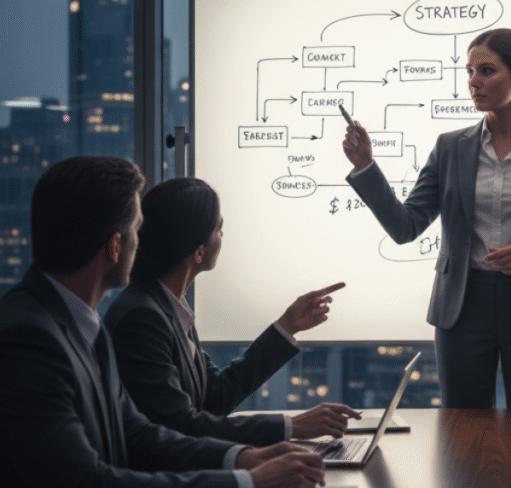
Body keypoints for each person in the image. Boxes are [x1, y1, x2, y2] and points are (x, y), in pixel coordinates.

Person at [0, 156, 326, 488]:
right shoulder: (30, 340)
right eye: (135, 231)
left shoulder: (83, 326)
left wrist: (241, 458)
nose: (140, 243)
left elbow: (137, 433)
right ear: (115, 246)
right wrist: (247, 482)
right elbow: (85, 479)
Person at [341, 28, 511, 408]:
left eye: (487, 71)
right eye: (470, 71)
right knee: (462, 430)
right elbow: (405, 227)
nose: (473, 82)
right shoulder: (449, 147)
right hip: (462, 308)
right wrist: (366, 167)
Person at [104, 177, 360, 446]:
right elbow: (179, 426)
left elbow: (215, 397)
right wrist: (290, 426)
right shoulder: (143, 318)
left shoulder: (167, 307)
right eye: (218, 230)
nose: (222, 238)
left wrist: (288, 325)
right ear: (199, 252)